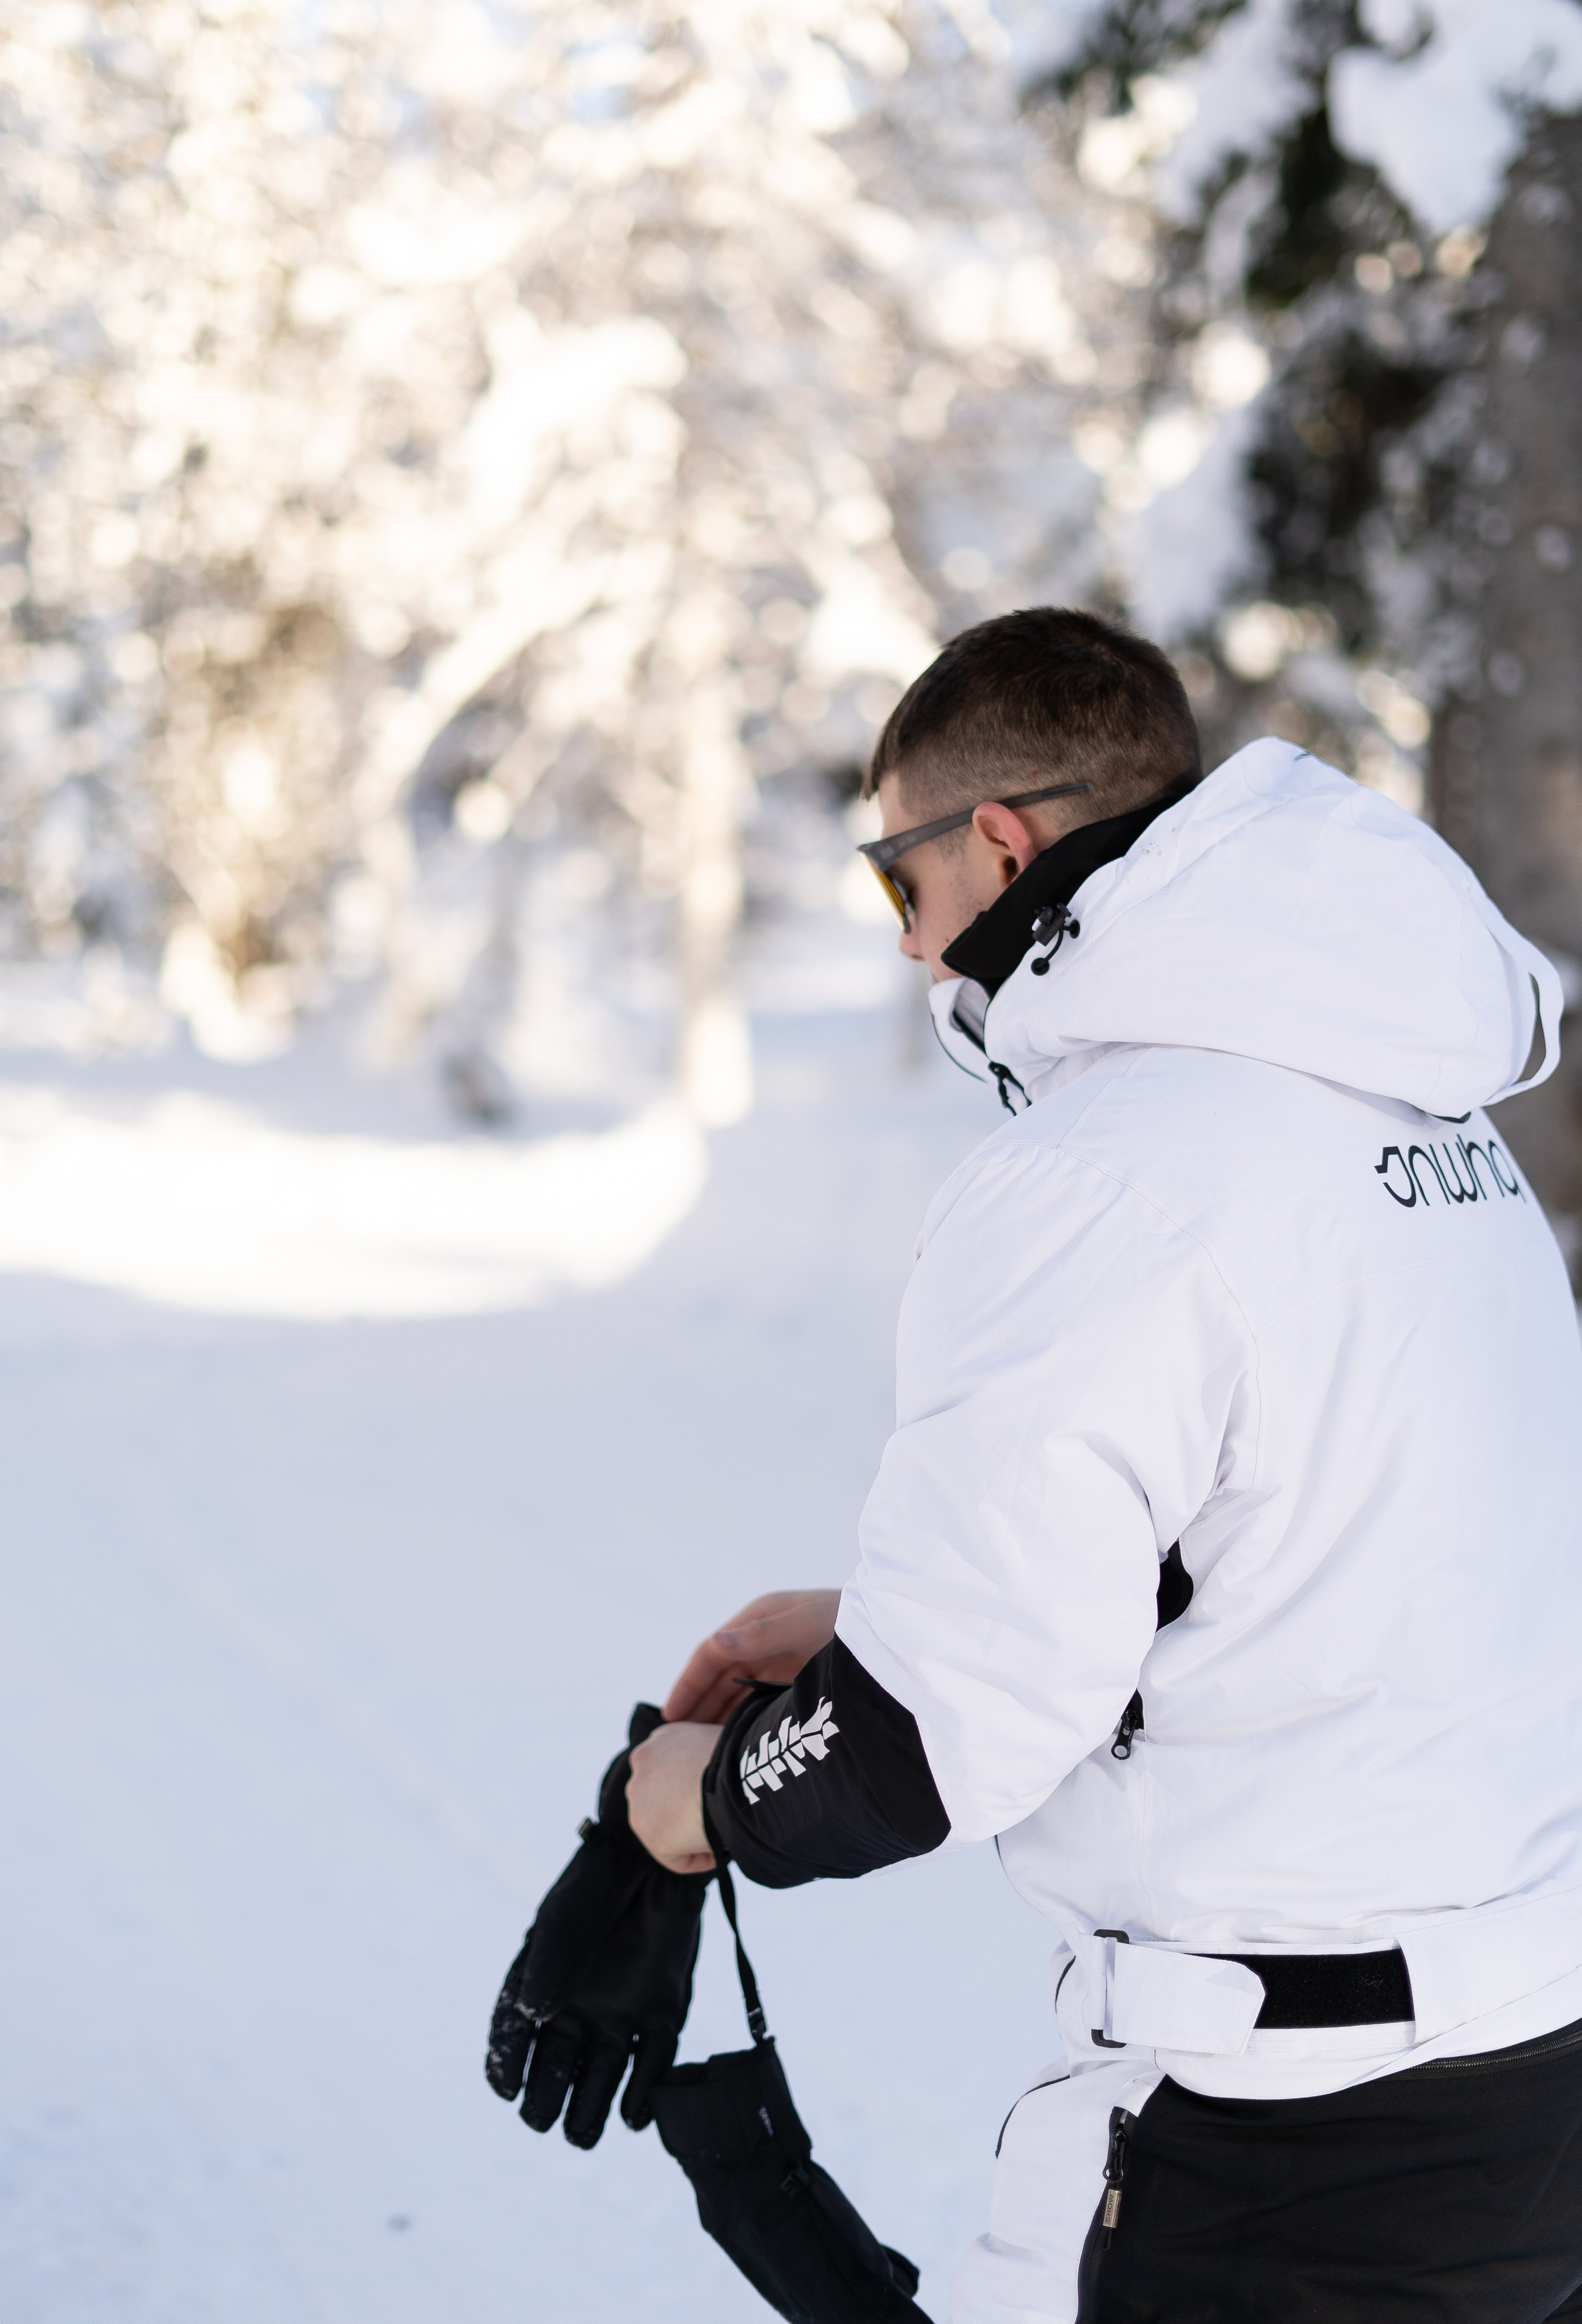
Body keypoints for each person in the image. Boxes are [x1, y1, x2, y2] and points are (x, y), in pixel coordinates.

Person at [625, 607, 1582, 2321]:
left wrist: (688, 1805)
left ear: (995, 843)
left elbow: (925, 1746)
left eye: (894, 882)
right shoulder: (1428, 1124)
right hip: (1533, 2083)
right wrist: (871, 1615)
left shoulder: (1103, 1170)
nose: (917, 951)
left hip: (1284, 2144)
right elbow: (1328, 1555)